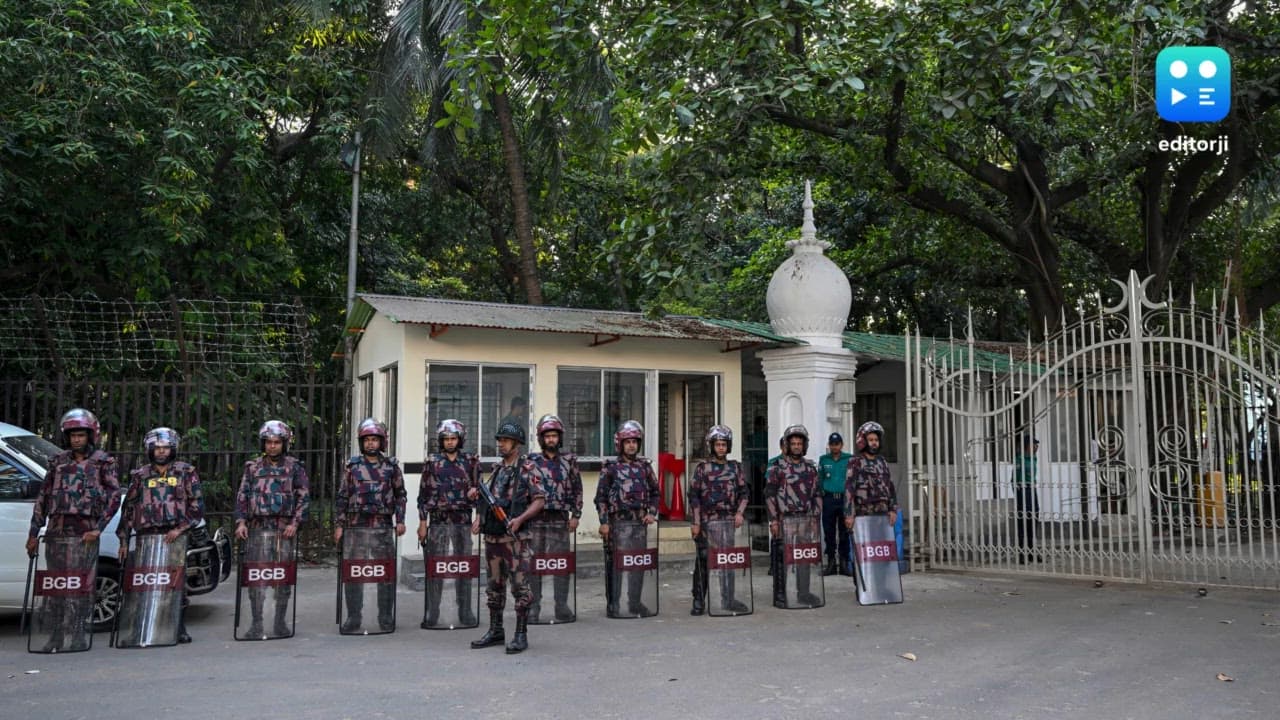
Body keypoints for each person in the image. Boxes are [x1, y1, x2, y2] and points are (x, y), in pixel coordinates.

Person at [26, 408, 121, 652]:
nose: (76, 439)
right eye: (72, 435)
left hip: (85, 532)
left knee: (80, 585)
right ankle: (56, 636)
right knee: (57, 585)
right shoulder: (57, 462)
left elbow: (113, 498)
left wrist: (99, 529)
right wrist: (33, 533)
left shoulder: (103, 462)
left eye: (80, 435)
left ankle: (78, 634)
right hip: (57, 531)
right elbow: (44, 497)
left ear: (90, 436)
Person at [117, 427, 202, 643]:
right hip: (146, 538)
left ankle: (177, 628)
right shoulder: (140, 475)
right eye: (157, 448)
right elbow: (128, 509)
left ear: (173, 449)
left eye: (165, 447)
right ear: (150, 450)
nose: (161, 451)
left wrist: (179, 529)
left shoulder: (186, 472)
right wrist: (123, 540)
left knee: (175, 583)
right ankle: (139, 629)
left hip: (175, 537)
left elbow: (196, 506)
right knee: (144, 583)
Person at [468, 421, 546, 653]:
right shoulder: (497, 470)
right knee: (494, 588)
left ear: (516, 444)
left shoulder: (528, 469)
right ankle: (496, 630)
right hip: (493, 539)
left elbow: (539, 500)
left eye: (505, 440)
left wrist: (520, 519)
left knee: (520, 589)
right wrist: (479, 516)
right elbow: (489, 500)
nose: (501, 444)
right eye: (500, 440)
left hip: (516, 541)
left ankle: (521, 634)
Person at [235, 419, 310, 638]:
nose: (272, 446)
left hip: (283, 530)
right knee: (256, 578)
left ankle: (279, 622)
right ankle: (256, 623)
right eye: (268, 442)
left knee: (282, 578)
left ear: (284, 444)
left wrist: (295, 523)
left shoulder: (294, 467)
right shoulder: (252, 467)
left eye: (277, 442)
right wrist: (241, 522)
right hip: (257, 530)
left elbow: (303, 496)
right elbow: (242, 496)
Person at [334, 418, 406, 633]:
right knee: (354, 573)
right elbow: (342, 497)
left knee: (385, 573)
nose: (371, 443)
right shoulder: (352, 467)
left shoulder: (391, 467)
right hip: (356, 527)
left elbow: (400, 495)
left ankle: (385, 617)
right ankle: (353, 617)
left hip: (382, 527)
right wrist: (339, 525)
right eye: (367, 440)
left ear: (381, 442)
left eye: (374, 439)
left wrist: (400, 520)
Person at [594, 420, 659, 617]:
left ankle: (635, 603)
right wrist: (604, 522)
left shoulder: (645, 467)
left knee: (637, 565)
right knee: (616, 565)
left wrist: (652, 513)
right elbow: (601, 498)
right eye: (628, 442)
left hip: (639, 524)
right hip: (617, 525)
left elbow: (655, 492)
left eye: (635, 442)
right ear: (620, 444)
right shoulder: (611, 468)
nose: (631, 445)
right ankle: (613, 603)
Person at [417, 418, 479, 627]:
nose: (450, 442)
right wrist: (422, 523)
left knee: (463, 568)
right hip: (438, 522)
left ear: (460, 439)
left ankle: (465, 611)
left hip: (462, 521)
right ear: (441, 441)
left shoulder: (470, 461)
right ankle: (432, 612)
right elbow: (423, 495)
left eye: (453, 438)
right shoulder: (432, 462)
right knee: (436, 568)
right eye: (446, 439)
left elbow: (480, 492)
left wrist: (479, 517)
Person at [525, 413, 582, 623]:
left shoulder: (569, 461)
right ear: (541, 438)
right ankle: (533, 607)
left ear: (560, 437)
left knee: (561, 565)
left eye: (554, 436)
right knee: (535, 565)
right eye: (547, 436)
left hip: (560, 520)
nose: (551, 440)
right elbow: (523, 491)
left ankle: (562, 606)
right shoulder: (531, 461)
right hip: (536, 521)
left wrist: (576, 515)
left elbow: (577, 489)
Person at [688, 424, 749, 615]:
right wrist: (696, 523)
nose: (721, 448)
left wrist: (739, 513)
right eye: (718, 444)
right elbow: (694, 496)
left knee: (727, 562)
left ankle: (728, 599)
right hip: (706, 524)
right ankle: (699, 600)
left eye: (724, 444)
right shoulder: (702, 468)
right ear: (711, 446)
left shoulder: (735, 468)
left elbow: (744, 493)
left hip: (727, 523)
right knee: (703, 561)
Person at [765, 424, 822, 608]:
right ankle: (780, 594)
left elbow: (817, 494)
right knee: (782, 558)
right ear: (787, 445)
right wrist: (773, 520)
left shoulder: (810, 468)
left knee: (804, 558)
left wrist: (815, 518)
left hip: (805, 519)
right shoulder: (777, 468)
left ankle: (803, 593)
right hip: (784, 520)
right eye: (794, 443)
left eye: (799, 443)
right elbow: (770, 495)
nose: (797, 446)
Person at [844, 421, 898, 545]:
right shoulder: (855, 462)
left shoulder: (882, 462)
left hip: (882, 515)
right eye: (871, 440)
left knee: (882, 547)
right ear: (863, 441)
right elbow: (849, 489)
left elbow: (890, 487)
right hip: (863, 515)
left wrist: (893, 509)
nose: (874, 443)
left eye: (876, 440)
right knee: (865, 549)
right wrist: (849, 514)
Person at [818, 432, 853, 577]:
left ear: (841, 445)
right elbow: (820, 480)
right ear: (829, 445)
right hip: (829, 499)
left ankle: (844, 563)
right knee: (829, 531)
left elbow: (852, 480)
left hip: (844, 499)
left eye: (837, 444)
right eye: (832, 444)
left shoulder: (849, 459)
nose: (834, 447)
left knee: (845, 531)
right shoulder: (823, 459)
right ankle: (831, 563)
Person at [1012, 434, 1040, 564]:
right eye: (1034, 444)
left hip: (1032, 490)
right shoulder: (1019, 460)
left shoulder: (1033, 458)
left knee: (1033, 519)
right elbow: (1014, 480)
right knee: (1023, 522)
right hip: (1022, 490)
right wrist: (1019, 493)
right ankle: (1022, 553)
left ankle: (1031, 551)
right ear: (1027, 446)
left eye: (1036, 444)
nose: (1036, 446)